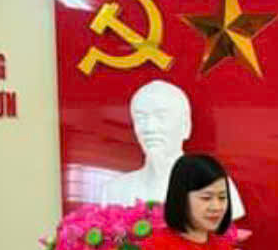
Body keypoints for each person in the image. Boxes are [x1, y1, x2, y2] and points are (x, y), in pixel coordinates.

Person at [99, 79, 245, 216]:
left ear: (186, 126)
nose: (149, 128)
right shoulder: (113, 190)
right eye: (140, 118)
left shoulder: (215, 186)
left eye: (161, 117)